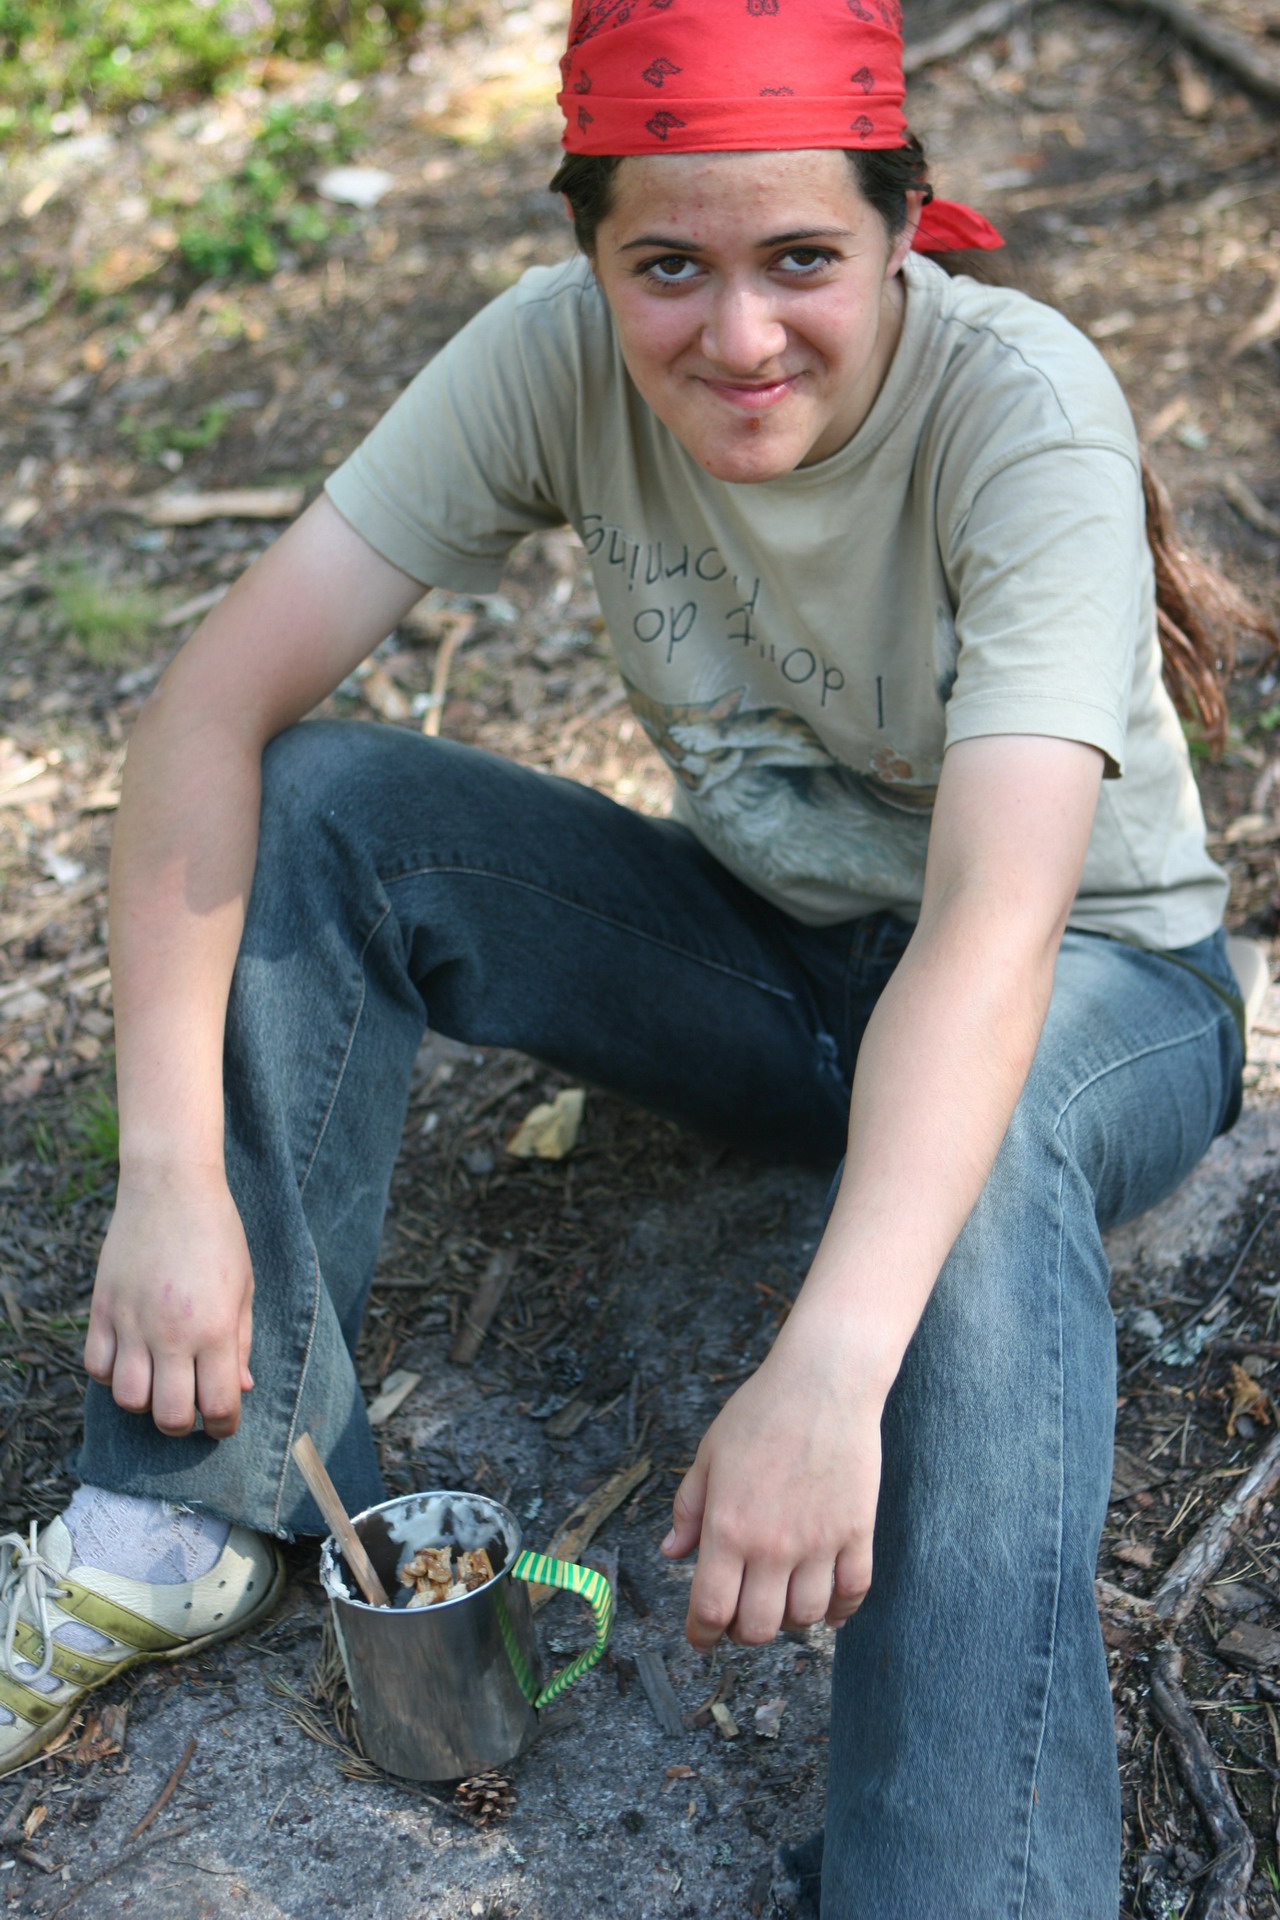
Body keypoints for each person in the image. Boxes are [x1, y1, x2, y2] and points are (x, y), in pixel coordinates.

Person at [1, 2, 1273, 1912]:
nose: (739, 336)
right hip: (776, 959)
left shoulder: (1021, 409)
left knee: (987, 1142)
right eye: (668, 266)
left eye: (802, 260)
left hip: (1093, 979)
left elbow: (995, 933)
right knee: (332, 800)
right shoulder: (546, 360)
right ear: (589, 251)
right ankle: (189, 1505)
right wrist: (173, 1169)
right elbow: (207, 708)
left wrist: (827, 1369)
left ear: (904, 227)